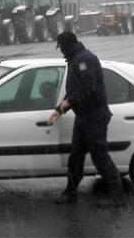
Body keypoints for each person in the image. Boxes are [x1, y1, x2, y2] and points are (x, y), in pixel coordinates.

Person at [48, 31, 125, 208]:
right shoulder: (76, 59)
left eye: (61, 47)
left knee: (99, 156)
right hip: (83, 116)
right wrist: (60, 109)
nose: (60, 51)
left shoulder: (84, 60)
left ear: (66, 45)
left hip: (95, 115)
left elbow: (87, 88)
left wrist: (69, 102)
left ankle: (117, 195)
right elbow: (74, 91)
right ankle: (71, 192)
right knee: (76, 156)